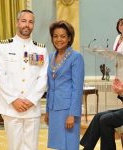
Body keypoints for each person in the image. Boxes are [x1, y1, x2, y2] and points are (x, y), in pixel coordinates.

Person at [0, 9, 48, 150]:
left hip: (32, 106)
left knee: (32, 146)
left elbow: (43, 77)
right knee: (15, 146)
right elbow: (0, 75)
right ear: (17, 23)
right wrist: (14, 100)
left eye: (31, 22)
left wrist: (31, 100)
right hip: (10, 107)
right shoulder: (3, 46)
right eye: (24, 21)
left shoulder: (40, 50)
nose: (27, 25)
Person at [80, 18, 123, 150]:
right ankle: (87, 148)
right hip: (120, 70)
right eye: (120, 24)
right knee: (99, 116)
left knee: (104, 120)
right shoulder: (117, 38)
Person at [44, 20, 85, 150]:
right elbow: (50, 86)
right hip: (54, 109)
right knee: (58, 145)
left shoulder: (76, 57)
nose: (58, 39)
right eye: (55, 36)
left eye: (62, 36)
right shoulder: (51, 56)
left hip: (68, 110)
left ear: (69, 38)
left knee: (70, 145)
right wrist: (47, 111)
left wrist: (72, 114)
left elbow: (77, 88)